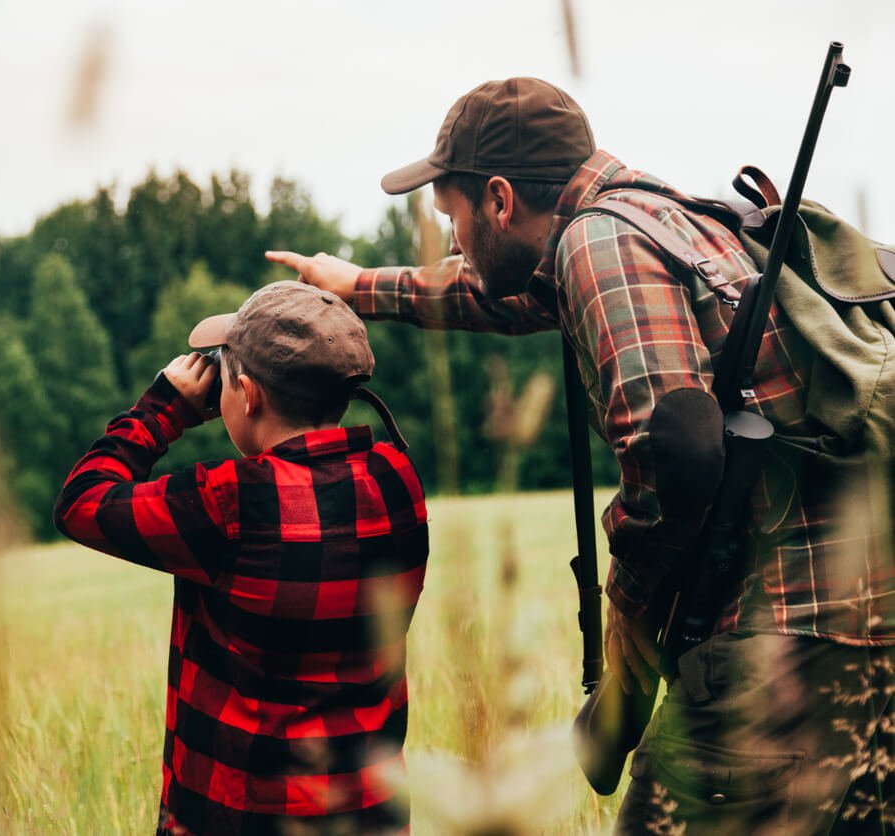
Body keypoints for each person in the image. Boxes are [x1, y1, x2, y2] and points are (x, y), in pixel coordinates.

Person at [267, 77, 893, 834]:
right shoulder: (656, 217)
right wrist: (359, 286)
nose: (455, 239)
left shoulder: (600, 247)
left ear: (499, 199)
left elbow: (680, 458)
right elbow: (494, 293)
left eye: (454, 217)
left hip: (781, 655)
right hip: (861, 641)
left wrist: (626, 634)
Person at [54, 280, 429, 835]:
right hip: (370, 816)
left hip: (241, 819)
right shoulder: (397, 478)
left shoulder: (229, 503)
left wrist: (163, 411)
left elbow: (81, 502)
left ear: (248, 395)